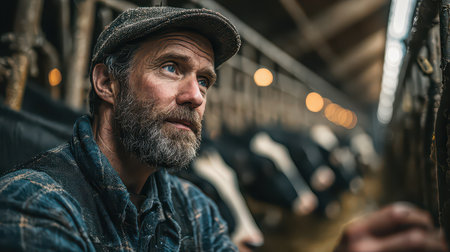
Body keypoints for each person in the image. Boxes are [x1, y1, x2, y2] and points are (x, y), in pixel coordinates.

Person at [0, 6, 446, 252]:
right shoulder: (36, 205)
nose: (196, 96)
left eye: (206, 80)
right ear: (106, 82)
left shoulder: (193, 206)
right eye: (172, 67)